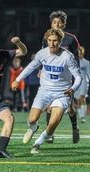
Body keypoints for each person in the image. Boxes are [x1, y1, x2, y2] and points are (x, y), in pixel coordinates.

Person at [12, 28, 82, 154]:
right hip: (44, 91)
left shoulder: (68, 57)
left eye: (55, 41)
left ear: (60, 41)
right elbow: (30, 67)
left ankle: (37, 144)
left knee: (53, 122)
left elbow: (78, 77)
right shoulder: (42, 53)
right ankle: (33, 128)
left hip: (62, 93)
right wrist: (17, 80)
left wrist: (72, 89)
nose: (52, 43)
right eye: (49, 40)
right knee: (31, 120)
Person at [42, 10, 81, 143]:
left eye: (59, 22)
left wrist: (76, 77)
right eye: (54, 22)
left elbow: (76, 59)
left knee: (69, 108)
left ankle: (75, 128)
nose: (57, 24)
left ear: (64, 24)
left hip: (66, 79)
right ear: (51, 24)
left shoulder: (71, 38)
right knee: (48, 106)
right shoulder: (46, 37)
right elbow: (43, 56)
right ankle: (49, 133)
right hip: (50, 78)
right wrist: (41, 70)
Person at [74, 46, 90, 123]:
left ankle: (83, 117)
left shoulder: (86, 62)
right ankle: (80, 116)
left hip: (84, 83)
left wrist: (88, 83)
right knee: (78, 101)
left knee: (82, 98)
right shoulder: (74, 62)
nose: (79, 54)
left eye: (80, 52)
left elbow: (89, 74)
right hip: (76, 83)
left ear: (82, 53)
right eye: (78, 52)